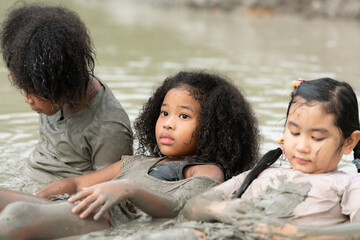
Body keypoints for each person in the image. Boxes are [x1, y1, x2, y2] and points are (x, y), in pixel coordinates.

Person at [0, 70, 259, 239]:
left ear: (216, 127)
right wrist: (42, 195)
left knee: (19, 215)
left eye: (184, 116)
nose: (168, 123)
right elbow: (78, 183)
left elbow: (181, 207)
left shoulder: (205, 171)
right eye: (164, 113)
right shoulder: (138, 161)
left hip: (109, 218)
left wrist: (128, 189)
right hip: (77, 207)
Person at [182, 77, 360, 238]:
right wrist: (220, 210)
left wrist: (293, 232)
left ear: (349, 142)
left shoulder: (349, 184)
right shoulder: (262, 172)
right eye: (295, 132)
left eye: (317, 138)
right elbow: (193, 206)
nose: (302, 147)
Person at [0, 4, 133, 184]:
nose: (26, 99)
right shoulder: (55, 96)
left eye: (33, 91)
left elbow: (114, 193)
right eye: (23, 88)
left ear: (59, 83)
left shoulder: (109, 128)